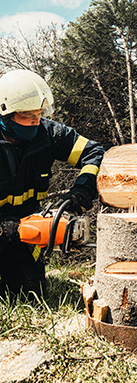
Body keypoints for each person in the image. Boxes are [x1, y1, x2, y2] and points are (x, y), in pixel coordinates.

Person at [0, 69, 105, 300]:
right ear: (5, 113)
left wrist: (81, 192)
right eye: (28, 115)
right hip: (4, 227)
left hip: (23, 234)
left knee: (29, 294)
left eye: (39, 113)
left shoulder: (48, 134)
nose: (36, 120)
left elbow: (94, 152)